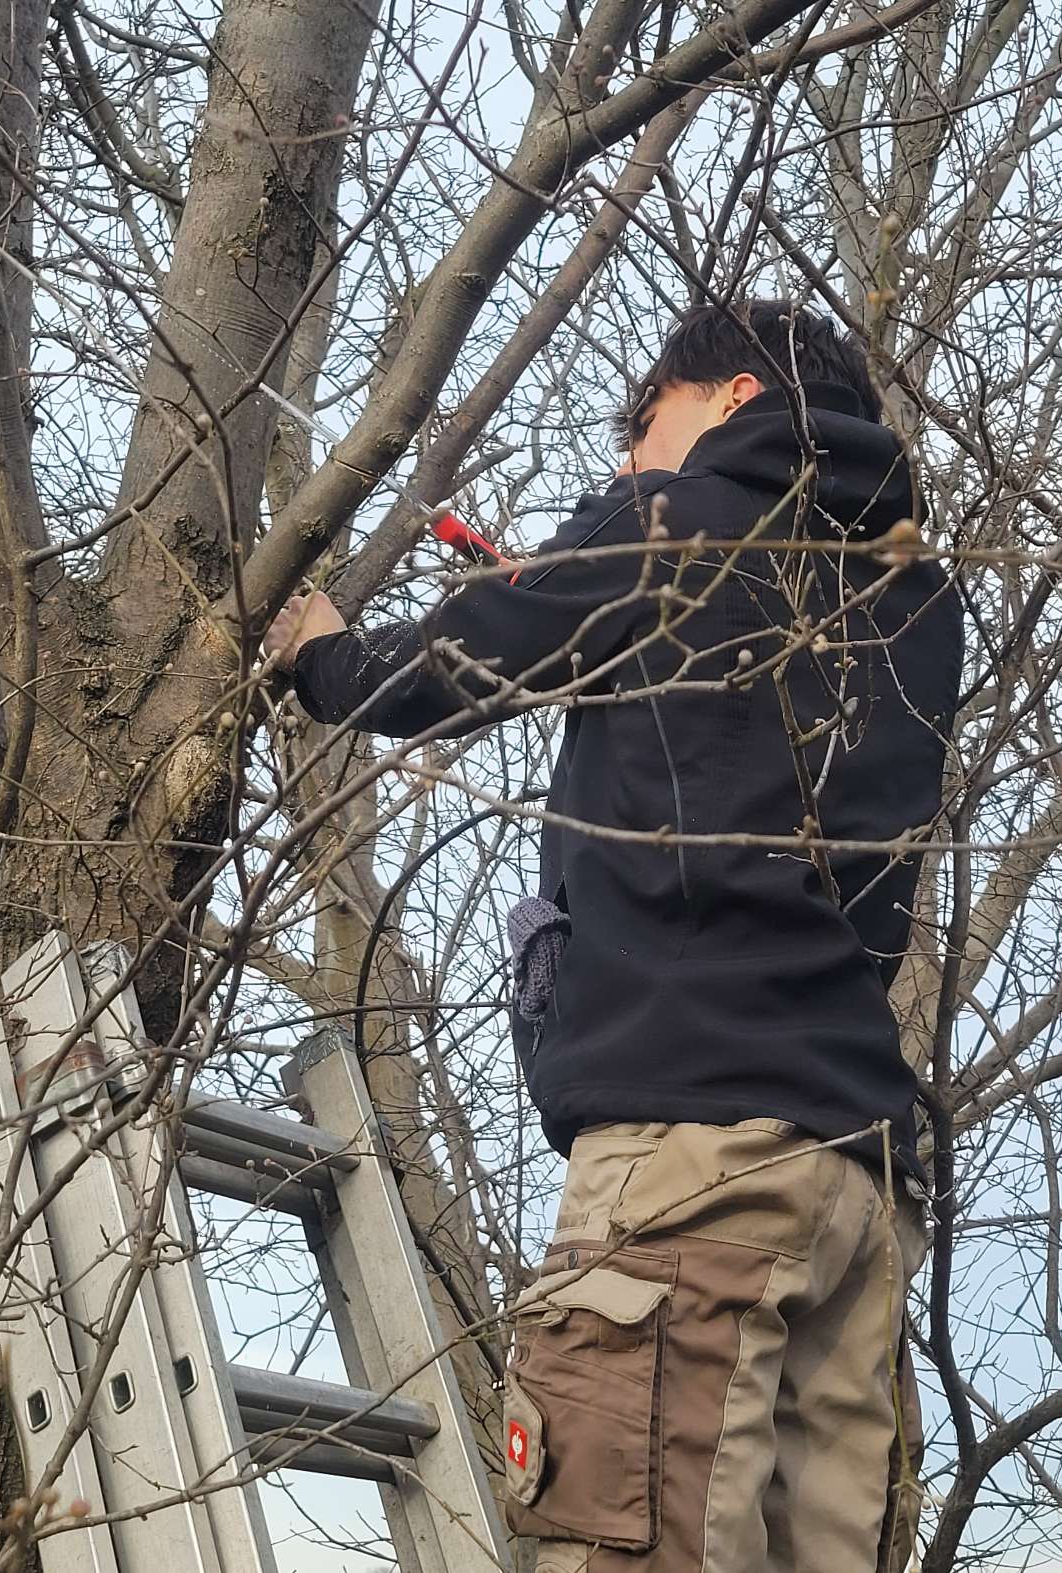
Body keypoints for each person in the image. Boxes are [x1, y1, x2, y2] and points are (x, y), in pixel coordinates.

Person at [266, 301, 963, 1573]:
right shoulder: (912, 599)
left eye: (646, 424)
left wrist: (324, 654)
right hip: (855, 1174)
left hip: (697, 1153)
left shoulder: (678, 521)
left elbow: (462, 665)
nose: (633, 457)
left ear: (737, 400)